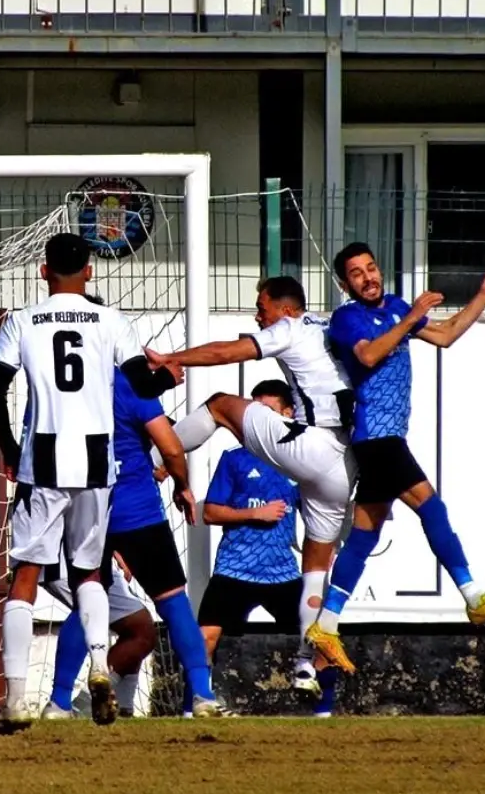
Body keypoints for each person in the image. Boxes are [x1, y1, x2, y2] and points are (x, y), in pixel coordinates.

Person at [0, 232, 182, 732]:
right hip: (97, 464)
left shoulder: (22, 321)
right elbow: (140, 382)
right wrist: (170, 374)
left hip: (44, 460)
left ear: (43, 271)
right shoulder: (112, 320)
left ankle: (17, 701)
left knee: (23, 578)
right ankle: (99, 666)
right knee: (88, 573)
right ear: (89, 271)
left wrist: (10, 448)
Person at [305, 243, 485, 674]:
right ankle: (473, 597)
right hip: (377, 438)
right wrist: (408, 319)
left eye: (371, 268)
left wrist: (482, 295)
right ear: (344, 283)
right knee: (431, 506)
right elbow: (368, 355)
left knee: (365, 536)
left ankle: (326, 625)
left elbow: (443, 335)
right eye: (356, 273)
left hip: (386, 439)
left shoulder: (396, 306)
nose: (368, 277)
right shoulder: (347, 318)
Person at [146, 276, 355, 695]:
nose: (258, 316)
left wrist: (171, 357)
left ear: (287, 309)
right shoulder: (331, 330)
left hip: (312, 444)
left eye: (262, 307)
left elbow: (227, 352)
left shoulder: (291, 328)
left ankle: (153, 462)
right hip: (346, 466)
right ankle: (304, 666)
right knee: (316, 565)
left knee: (221, 404)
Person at [197, 380, 336, 717]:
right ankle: (195, 705)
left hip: (282, 571)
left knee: (321, 637)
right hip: (235, 567)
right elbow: (210, 511)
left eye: (271, 412)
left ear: (289, 414)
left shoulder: (301, 460)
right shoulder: (235, 460)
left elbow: (320, 512)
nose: (262, 422)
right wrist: (253, 513)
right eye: (256, 412)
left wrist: (329, 548)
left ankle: (325, 712)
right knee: (204, 638)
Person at [40, 552, 157, 720]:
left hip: (69, 557)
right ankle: (79, 705)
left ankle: (121, 709)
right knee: (141, 631)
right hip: (78, 558)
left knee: (136, 630)